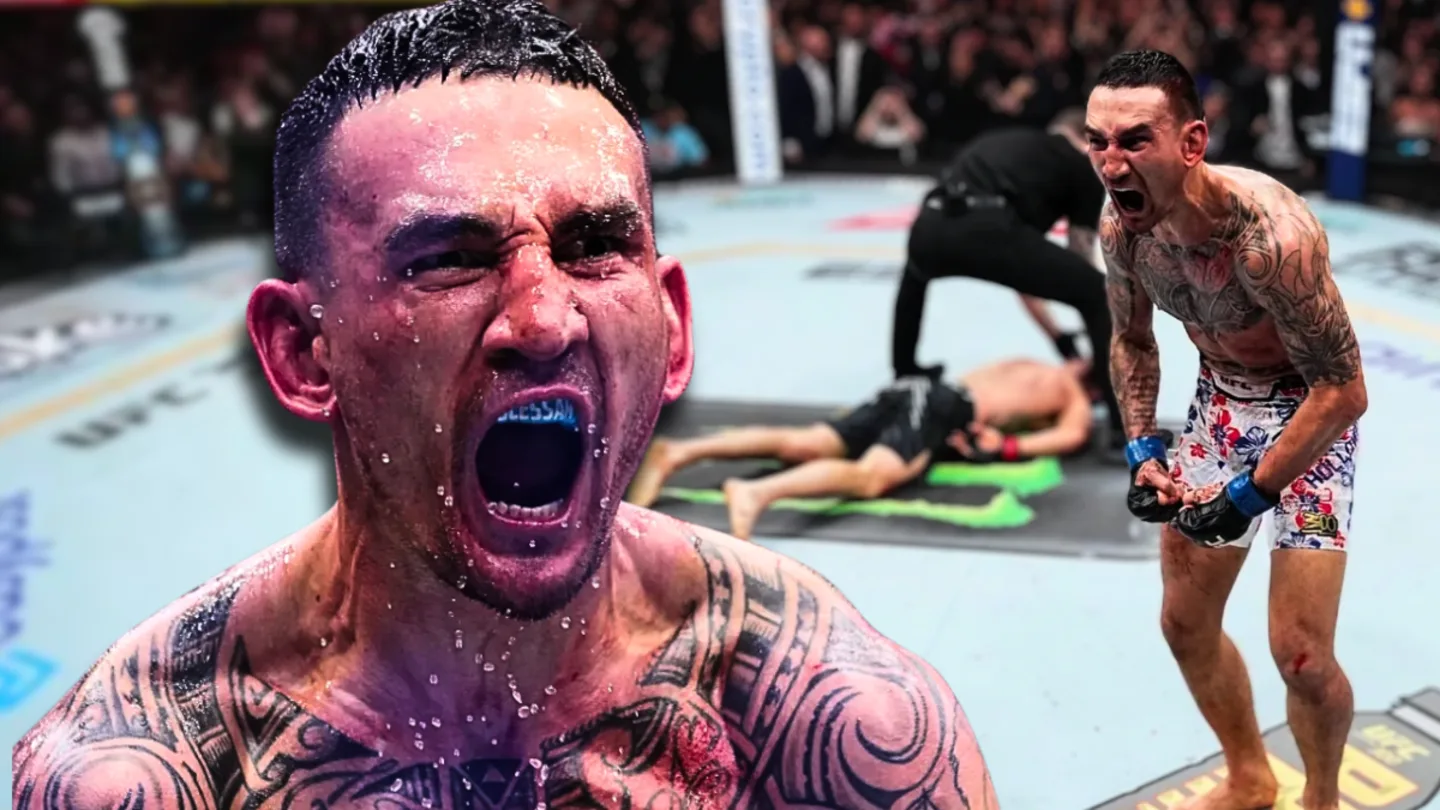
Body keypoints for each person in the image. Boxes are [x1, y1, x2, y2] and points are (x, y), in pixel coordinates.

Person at [11, 2, 999, 808]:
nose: (544, 318)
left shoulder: (831, 723)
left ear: (672, 330)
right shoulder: (150, 772)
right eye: (450, 257)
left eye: (594, 247)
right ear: (304, 352)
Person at [1089, 50, 1367, 810]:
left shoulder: (1273, 241)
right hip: (1221, 403)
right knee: (1184, 623)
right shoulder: (1124, 231)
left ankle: (1321, 800)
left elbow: (1344, 391)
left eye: (1134, 140)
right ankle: (1250, 776)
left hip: (1309, 410)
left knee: (1302, 656)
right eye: (1098, 141)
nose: (1111, 164)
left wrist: (1250, 493)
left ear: (1192, 142)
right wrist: (1143, 447)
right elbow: (1132, 340)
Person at [629, 357, 1096, 540]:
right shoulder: (1070, 393)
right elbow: (1071, 436)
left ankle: (678, 452)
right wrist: (1009, 445)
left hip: (916, 390)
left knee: (809, 443)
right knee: (872, 477)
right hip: (941, 406)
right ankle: (756, 492)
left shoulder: (1029, 364)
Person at [890, 108, 1124, 447]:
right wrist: (1095, 349)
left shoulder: (1009, 142)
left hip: (929, 224)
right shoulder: (1081, 165)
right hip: (988, 226)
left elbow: (1025, 270)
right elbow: (1077, 262)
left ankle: (904, 372)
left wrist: (1060, 340)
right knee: (1096, 293)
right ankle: (1123, 426)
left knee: (915, 274)